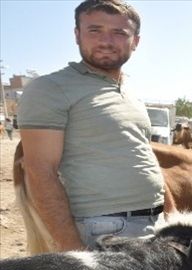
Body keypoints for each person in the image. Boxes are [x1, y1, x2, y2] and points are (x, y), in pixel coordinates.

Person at [17, 0, 164, 251]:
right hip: (103, 231)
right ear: (77, 35)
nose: (106, 41)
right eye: (94, 30)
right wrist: (73, 250)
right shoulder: (51, 89)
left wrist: (168, 215)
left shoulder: (130, 94)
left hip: (154, 224)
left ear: (135, 42)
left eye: (119, 33)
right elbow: (40, 171)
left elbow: (144, 157)